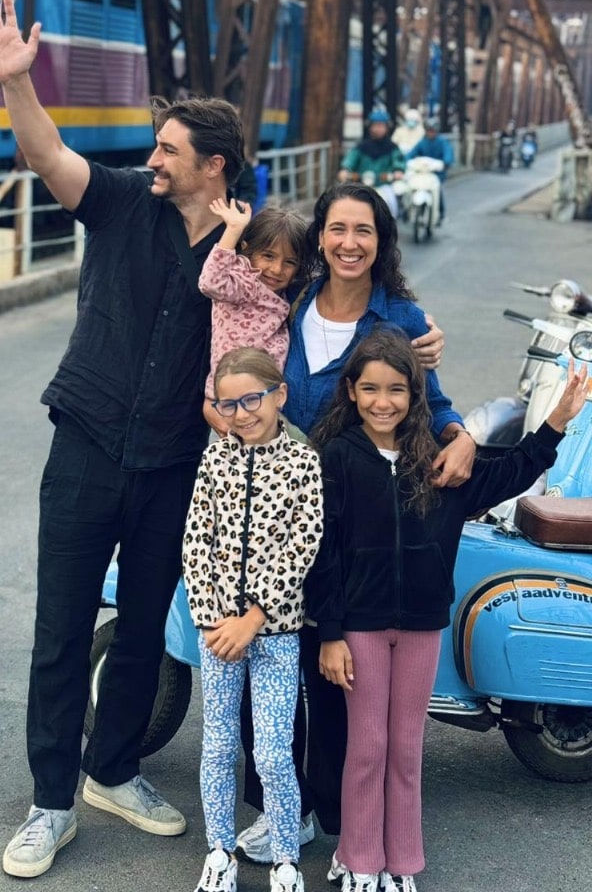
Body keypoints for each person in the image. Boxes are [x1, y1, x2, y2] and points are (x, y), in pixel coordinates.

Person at [0, 0, 246, 880]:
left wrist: (409, 339)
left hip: (177, 463)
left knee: (144, 632)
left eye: (169, 150)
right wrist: (16, 83)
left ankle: (114, 771)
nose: (153, 158)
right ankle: (51, 802)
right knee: (61, 628)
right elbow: (47, 156)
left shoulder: (249, 244)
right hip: (86, 443)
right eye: (155, 146)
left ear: (214, 166)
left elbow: (317, 310)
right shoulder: (123, 201)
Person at [235, 181, 470, 863]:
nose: (348, 243)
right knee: (265, 664)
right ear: (320, 238)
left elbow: (432, 402)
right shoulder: (288, 299)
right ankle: (280, 803)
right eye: (336, 229)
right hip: (276, 510)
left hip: (352, 517)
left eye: (363, 230)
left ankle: (332, 809)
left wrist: (460, 435)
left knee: (334, 671)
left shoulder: (400, 316)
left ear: (381, 240)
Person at [307, 330, 589, 892]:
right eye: (370, 389)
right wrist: (330, 633)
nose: (383, 401)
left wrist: (557, 421)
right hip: (359, 628)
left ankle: (401, 863)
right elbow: (323, 553)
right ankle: (358, 858)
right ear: (351, 391)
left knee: (405, 748)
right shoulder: (335, 458)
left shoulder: (442, 464)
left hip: (420, 627)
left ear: (415, 395)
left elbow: (512, 471)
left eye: (396, 389)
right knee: (367, 748)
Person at [183, 347, 323, 892]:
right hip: (219, 633)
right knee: (218, 746)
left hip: (277, 634)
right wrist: (213, 620)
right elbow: (196, 541)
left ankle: (286, 859)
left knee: (272, 752)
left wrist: (254, 617)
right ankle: (219, 853)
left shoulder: (303, 462)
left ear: (278, 395)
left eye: (252, 400)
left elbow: (302, 546)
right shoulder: (214, 460)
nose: (241, 414)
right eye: (228, 404)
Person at [198, 199, 306, 435]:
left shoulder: (284, 293)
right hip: (233, 404)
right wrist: (233, 230)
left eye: (290, 262)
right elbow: (210, 282)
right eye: (268, 256)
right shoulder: (243, 281)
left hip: (263, 404)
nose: (277, 269)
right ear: (247, 249)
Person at [338, 111, 406, 218]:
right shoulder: (361, 147)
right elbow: (350, 160)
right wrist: (345, 170)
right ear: (370, 127)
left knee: (392, 206)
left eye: (381, 125)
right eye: (375, 125)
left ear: (387, 127)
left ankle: (391, 224)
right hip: (361, 185)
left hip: (384, 185)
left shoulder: (393, 148)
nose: (378, 128)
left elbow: (399, 162)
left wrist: (398, 171)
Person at [405, 120, 453, 222]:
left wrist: (446, 162)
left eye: (432, 131)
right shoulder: (422, 142)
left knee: (437, 190)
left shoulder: (442, 142)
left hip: (437, 173)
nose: (430, 133)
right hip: (422, 172)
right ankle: (407, 209)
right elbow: (412, 153)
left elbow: (448, 154)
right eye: (428, 131)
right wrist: (406, 160)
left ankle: (440, 213)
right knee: (411, 185)